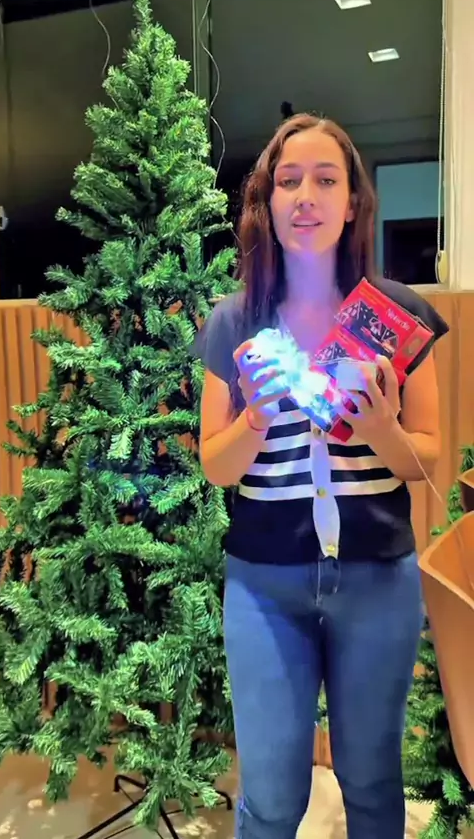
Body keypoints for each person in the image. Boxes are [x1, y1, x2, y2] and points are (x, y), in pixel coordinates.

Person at [193, 113, 448, 839]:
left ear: (353, 201)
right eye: (288, 181)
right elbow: (216, 465)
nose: (306, 195)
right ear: (267, 203)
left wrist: (379, 430)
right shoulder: (235, 322)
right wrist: (254, 421)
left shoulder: (397, 316)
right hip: (263, 584)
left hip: (378, 581)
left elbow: (427, 459)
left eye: (326, 180)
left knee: (371, 784)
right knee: (272, 798)